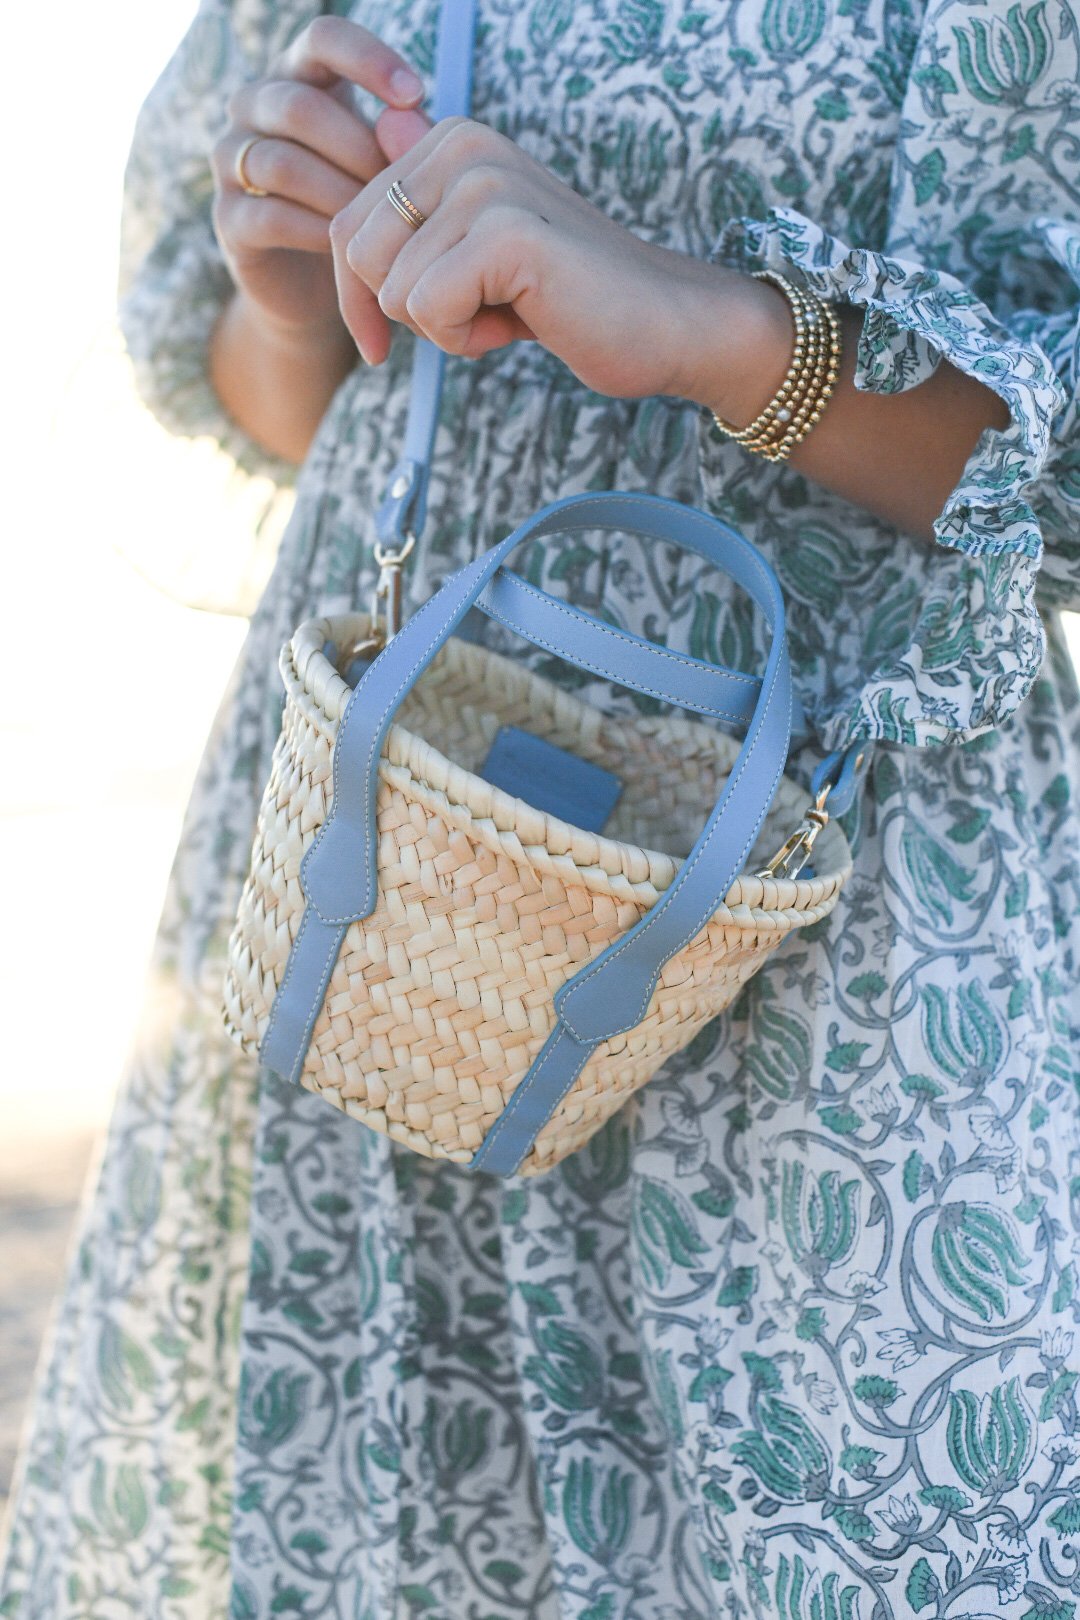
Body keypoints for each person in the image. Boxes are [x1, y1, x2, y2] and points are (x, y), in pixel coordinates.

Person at [2, 0, 1079, 1614]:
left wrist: (712, 327)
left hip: (835, 980)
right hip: (388, 912)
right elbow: (293, 424)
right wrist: (297, 300)